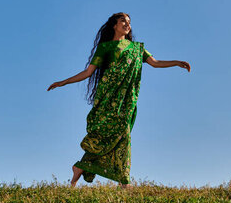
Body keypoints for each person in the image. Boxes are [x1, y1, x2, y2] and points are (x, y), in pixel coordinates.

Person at [47, 12, 191, 189]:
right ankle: (82, 167)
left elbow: (155, 62)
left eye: (129, 22)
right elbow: (88, 72)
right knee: (104, 134)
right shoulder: (105, 47)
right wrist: (63, 82)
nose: (127, 24)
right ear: (114, 25)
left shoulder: (137, 48)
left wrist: (176, 62)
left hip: (126, 99)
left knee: (123, 132)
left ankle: (121, 179)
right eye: (123, 21)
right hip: (108, 97)